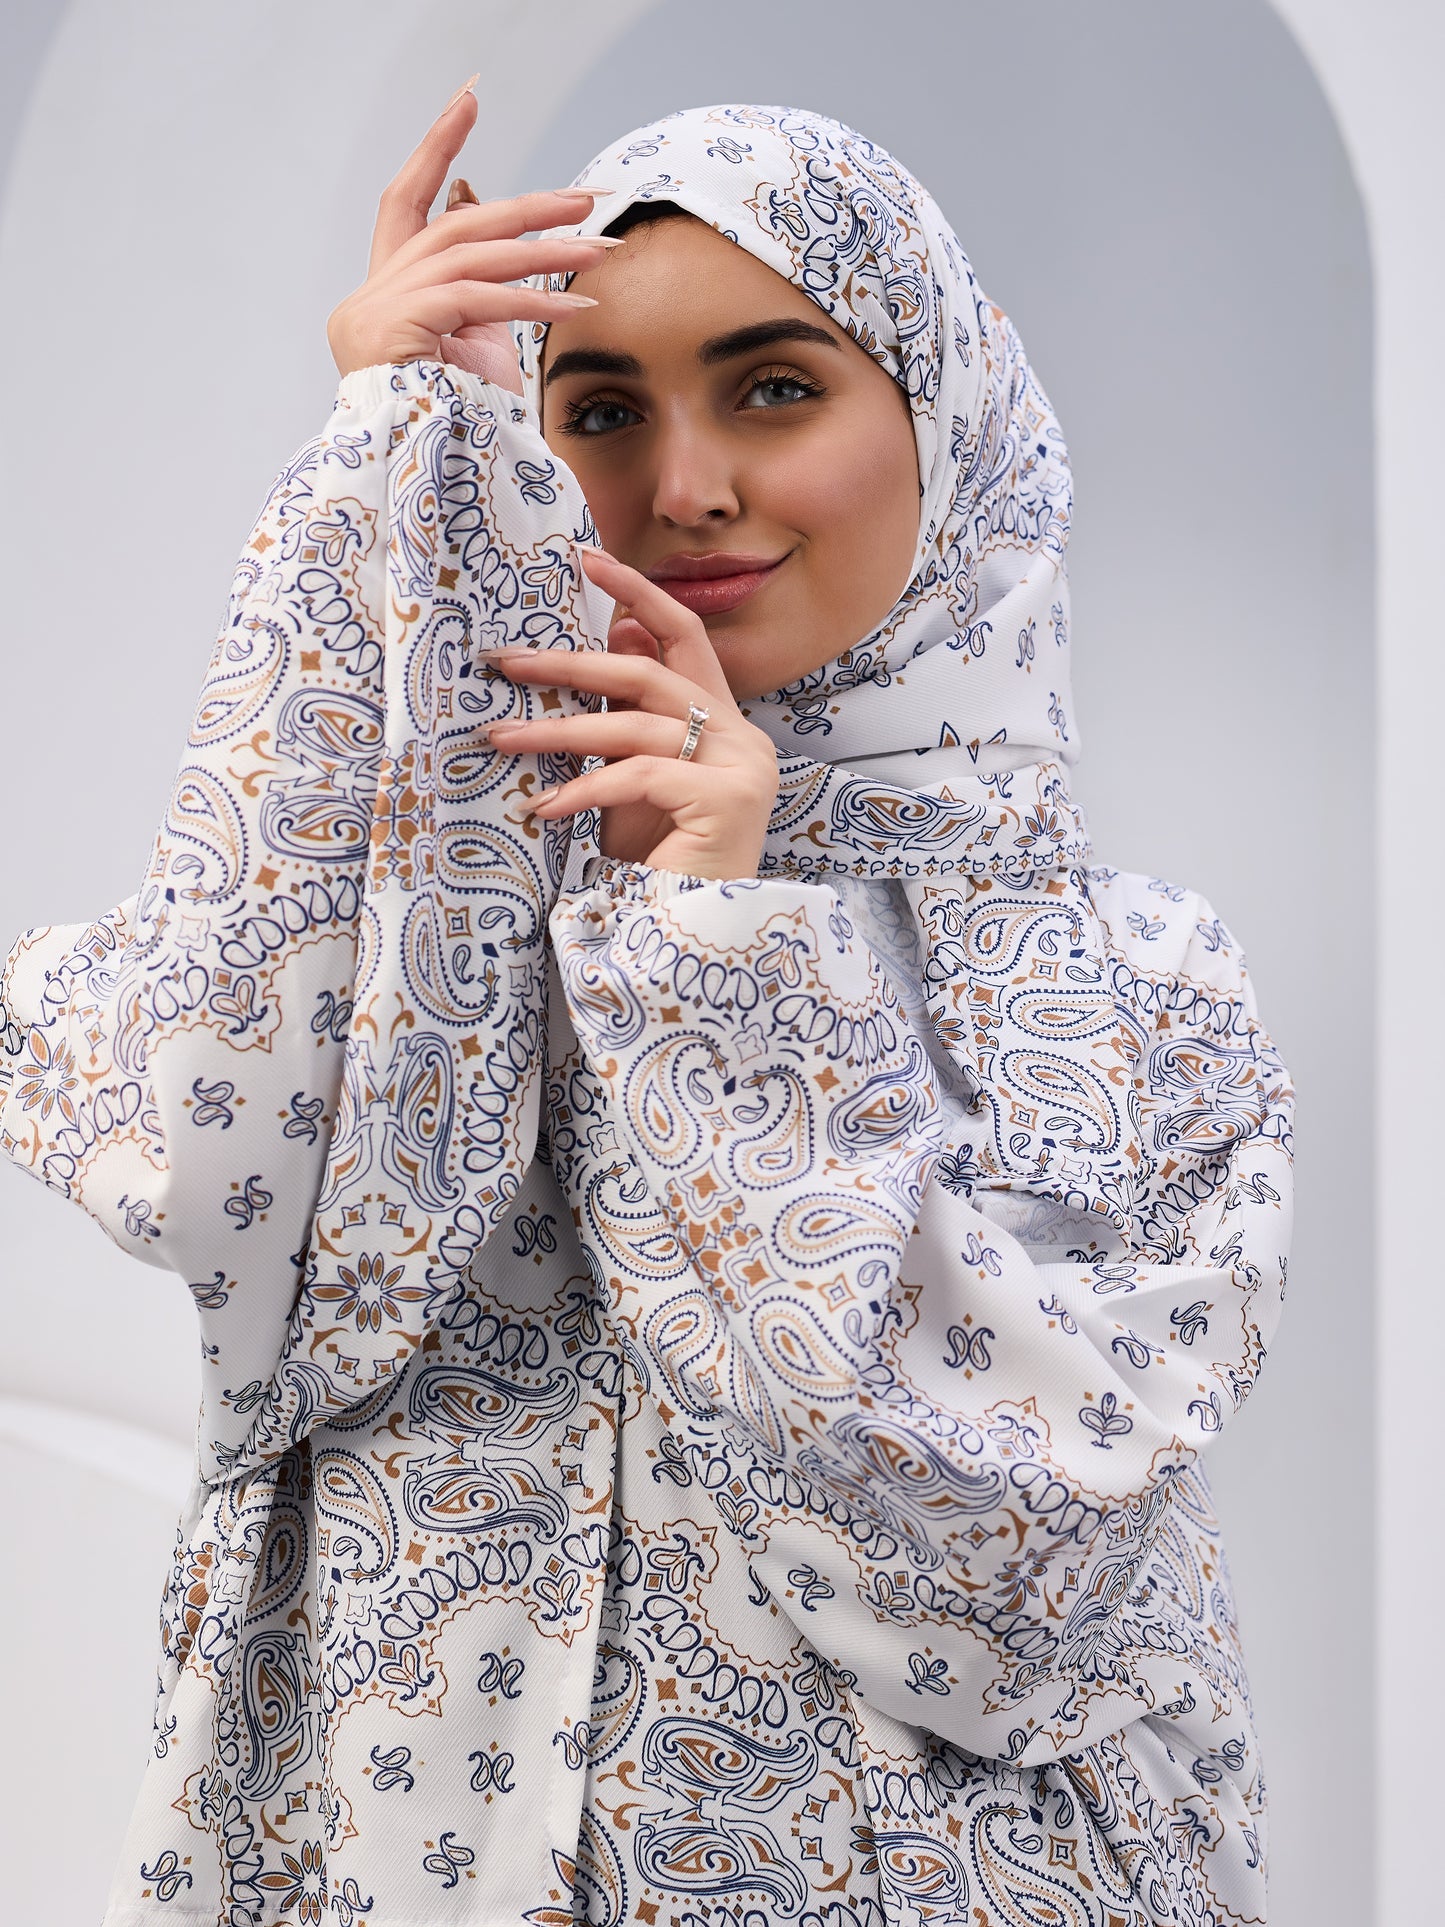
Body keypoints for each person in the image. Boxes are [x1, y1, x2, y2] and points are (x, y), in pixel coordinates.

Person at [0, 87, 1291, 1927]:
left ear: (947, 416)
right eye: (597, 411)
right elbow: (207, 1173)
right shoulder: (413, 933)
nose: (682, 488)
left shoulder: (1122, 980)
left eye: (772, 388)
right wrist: (380, 478)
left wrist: (716, 941)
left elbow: (997, 1585)